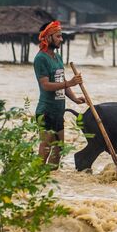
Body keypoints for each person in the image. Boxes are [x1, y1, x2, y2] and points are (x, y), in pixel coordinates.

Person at [33, 20, 85, 168]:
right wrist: (70, 82)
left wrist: (74, 98)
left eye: (61, 36)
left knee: (59, 148)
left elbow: (61, 83)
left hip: (58, 111)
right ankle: (37, 178)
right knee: (46, 148)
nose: (61, 40)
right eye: (58, 37)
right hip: (46, 111)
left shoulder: (58, 58)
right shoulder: (40, 58)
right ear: (48, 38)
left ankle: (51, 179)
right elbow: (46, 85)